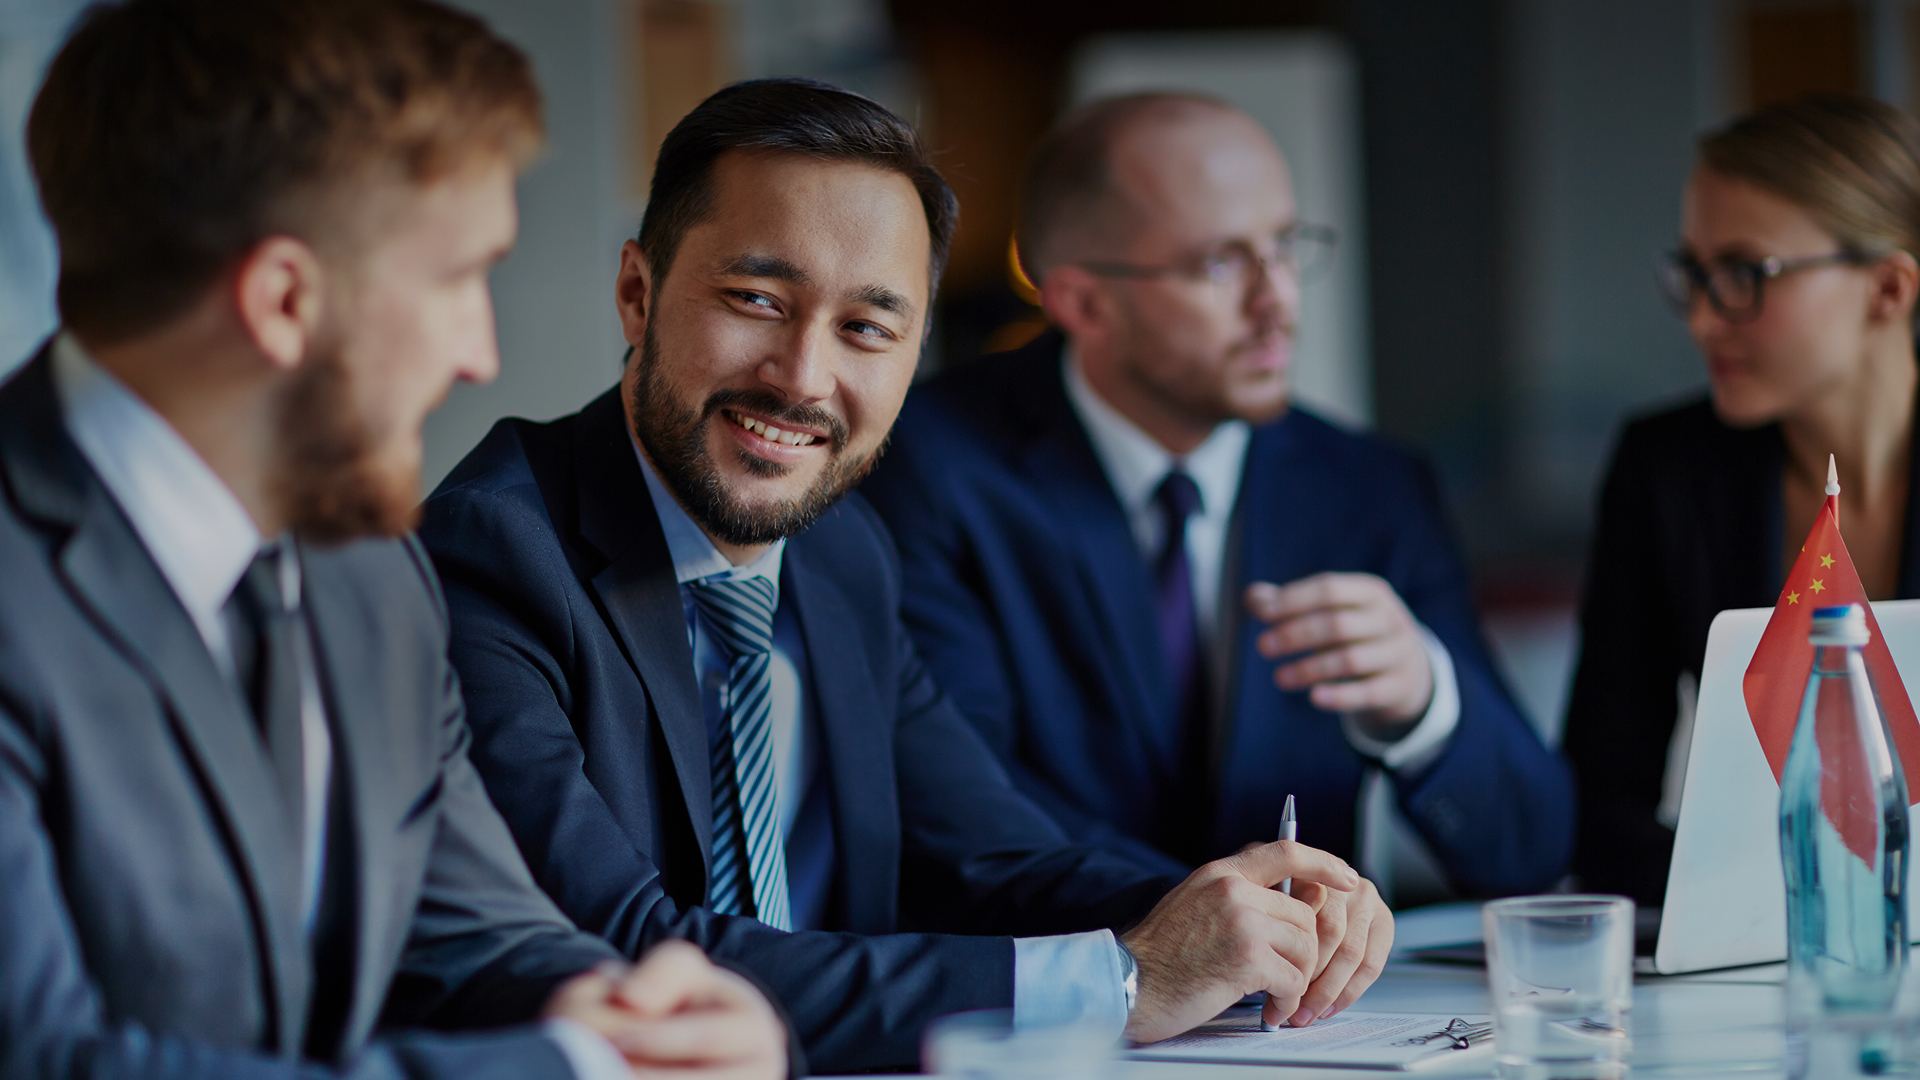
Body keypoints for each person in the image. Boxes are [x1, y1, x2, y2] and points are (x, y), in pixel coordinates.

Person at [418, 77, 1394, 1074]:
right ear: (638, 292)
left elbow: (1000, 860)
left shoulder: (844, 552)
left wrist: (1247, 915)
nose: (802, 376)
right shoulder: (491, 554)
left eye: (866, 328)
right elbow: (622, 956)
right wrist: (1125, 986)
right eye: (756, 300)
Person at [0, 2, 789, 1078]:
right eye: (461, 279)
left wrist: (637, 1018)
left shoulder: (369, 570)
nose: (480, 352)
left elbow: (468, 927)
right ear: (284, 301)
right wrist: (570, 1073)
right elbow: (43, 1058)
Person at [859, 92, 1572, 896]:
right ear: (1083, 302)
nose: (1279, 302)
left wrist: (1424, 703)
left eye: (1286, 246)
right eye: (1220, 264)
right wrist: (1216, 930)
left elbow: (1531, 850)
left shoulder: (1372, 487)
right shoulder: (924, 463)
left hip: (1321, 1014)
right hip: (1050, 997)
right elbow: (966, 814)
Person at [1563, 93, 1920, 905]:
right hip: (1765, 952)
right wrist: (1743, 912)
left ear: (1889, 291)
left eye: (1744, 275)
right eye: (1694, 272)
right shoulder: (1666, 471)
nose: (1701, 317)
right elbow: (1601, 798)